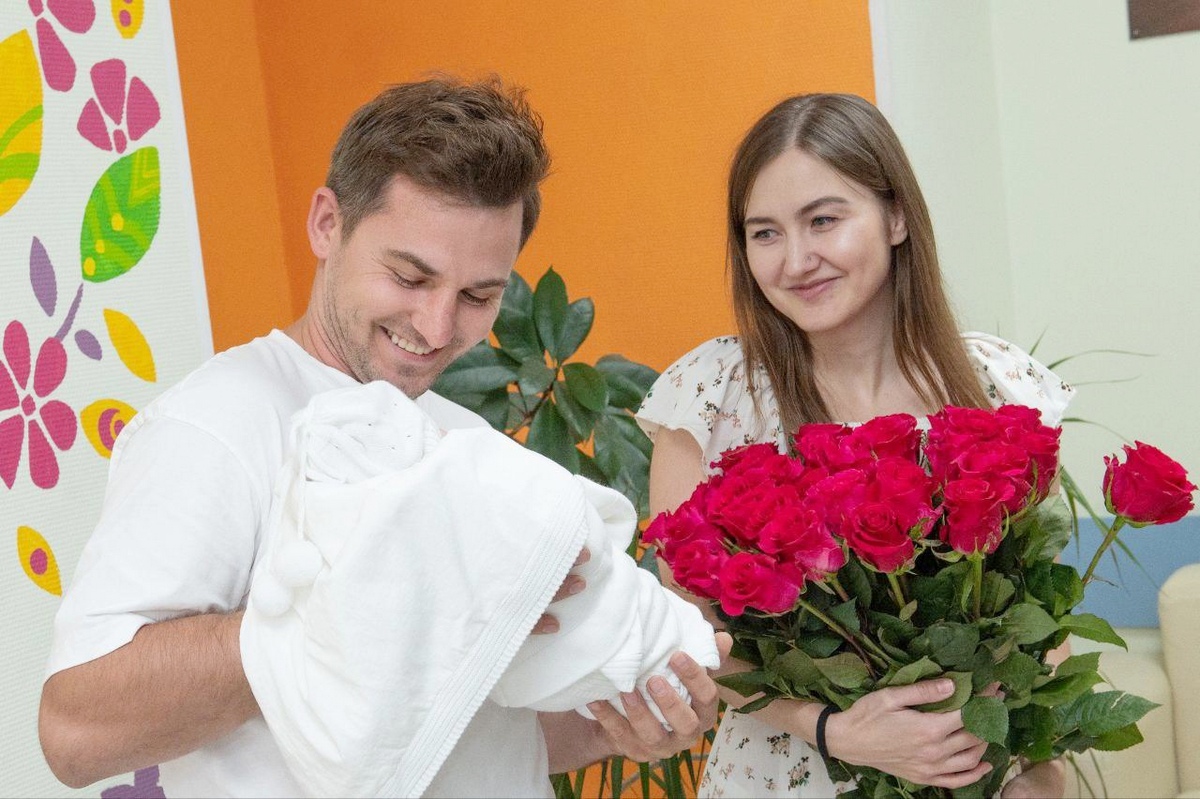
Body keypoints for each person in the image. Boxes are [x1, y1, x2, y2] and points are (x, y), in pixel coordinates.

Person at [38, 76, 725, 798]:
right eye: (409, 277)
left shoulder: (462, 441)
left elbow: (457, 732)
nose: (436, 327)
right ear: (327, 225)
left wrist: (620, 722)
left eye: (478, 295)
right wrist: (350, 609)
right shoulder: (217, 425)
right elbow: (73, 734)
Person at [636, 93, 1071, 799]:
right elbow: (688, 637)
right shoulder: (712, 395)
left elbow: (1040, 619)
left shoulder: (996, 385)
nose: (796, 260)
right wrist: (835, 731)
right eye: (765, 233)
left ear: (896, 217)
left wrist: (1044, 770)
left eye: (823, 220)